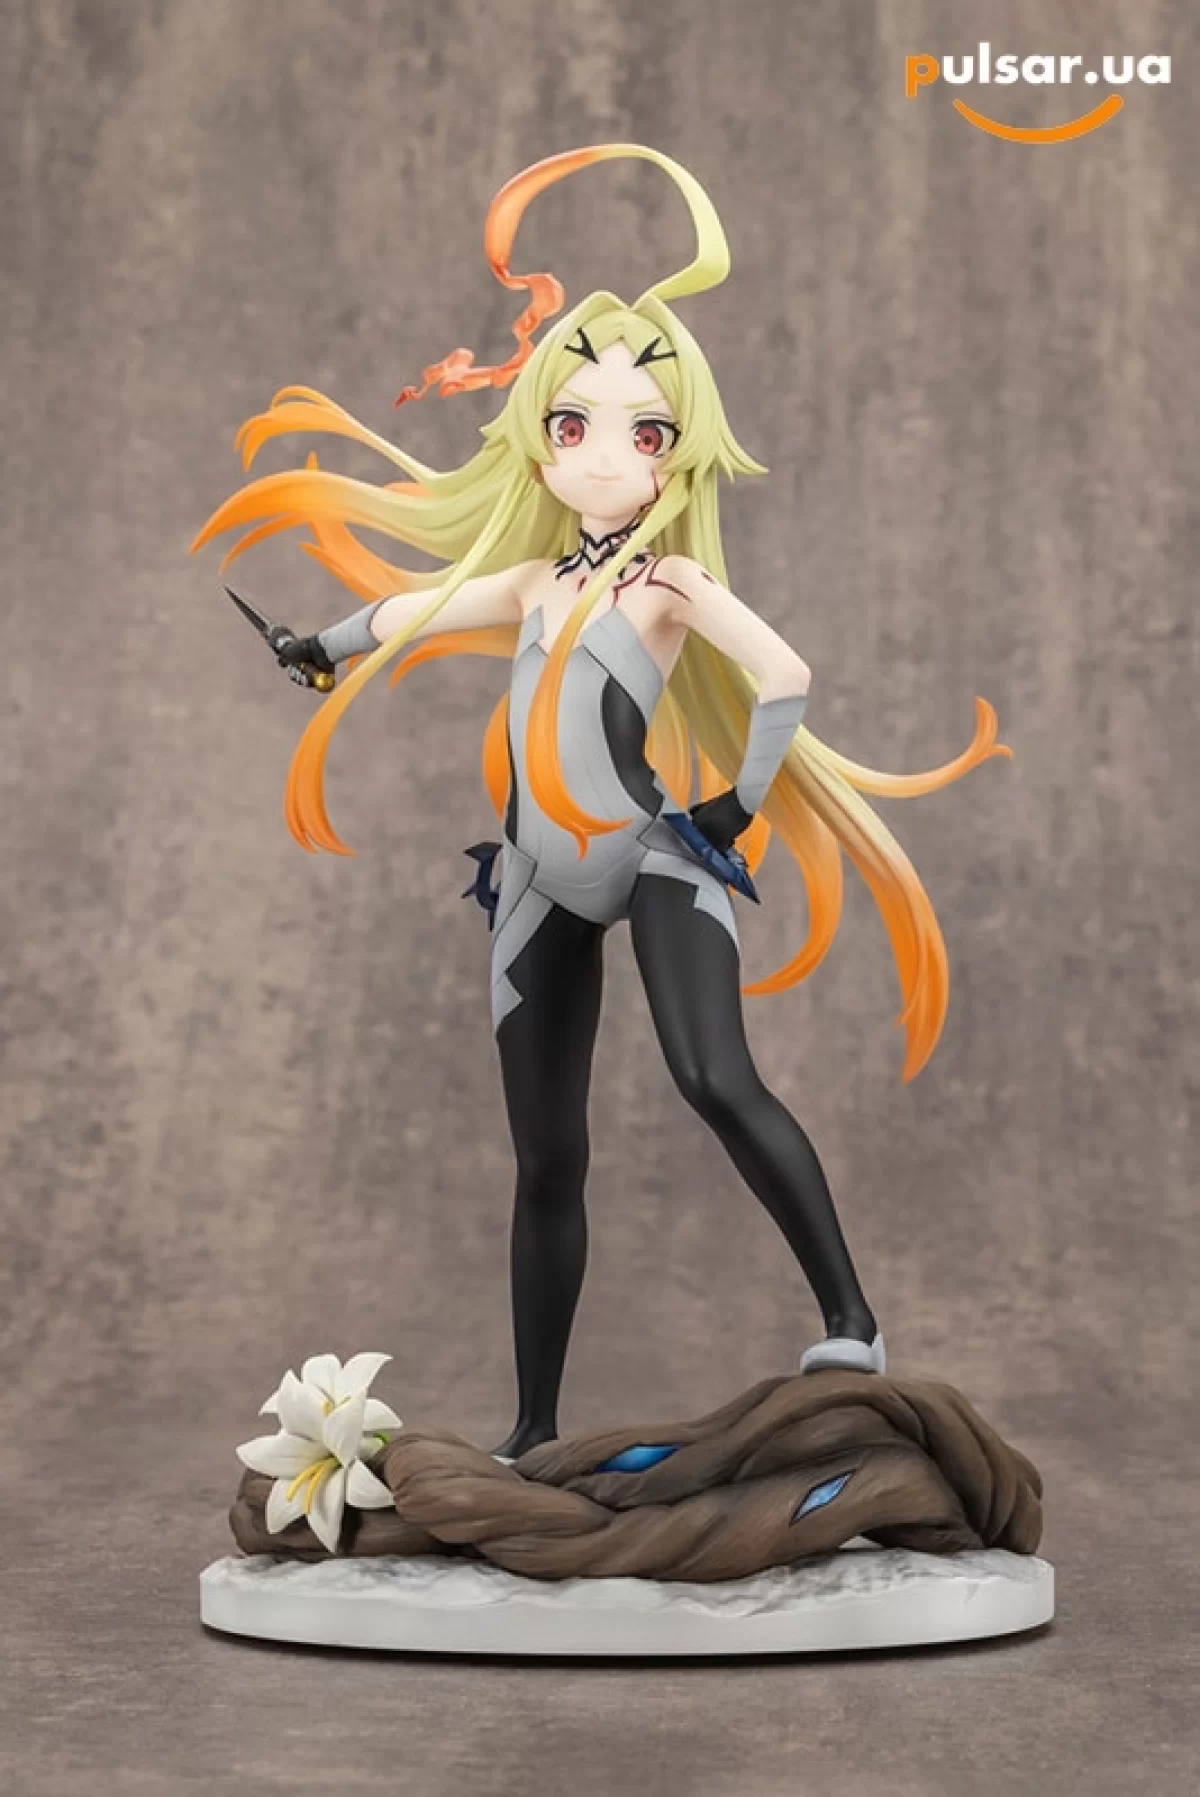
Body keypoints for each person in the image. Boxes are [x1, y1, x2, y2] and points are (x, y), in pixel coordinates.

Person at [192, 144, 1010, 1459]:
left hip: (652, 853)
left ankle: (852, 1319)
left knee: (713, 1076)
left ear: (677, 455)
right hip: (533, 877)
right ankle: (533, 1430)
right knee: (545, 1159)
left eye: (644, 430)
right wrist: (324, 647)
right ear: (540, 441)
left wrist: (733, 813)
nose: (604, 452)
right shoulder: (537, 582)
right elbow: (420, 608)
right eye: (573, 424)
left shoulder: (669, 586)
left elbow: (787, 675)